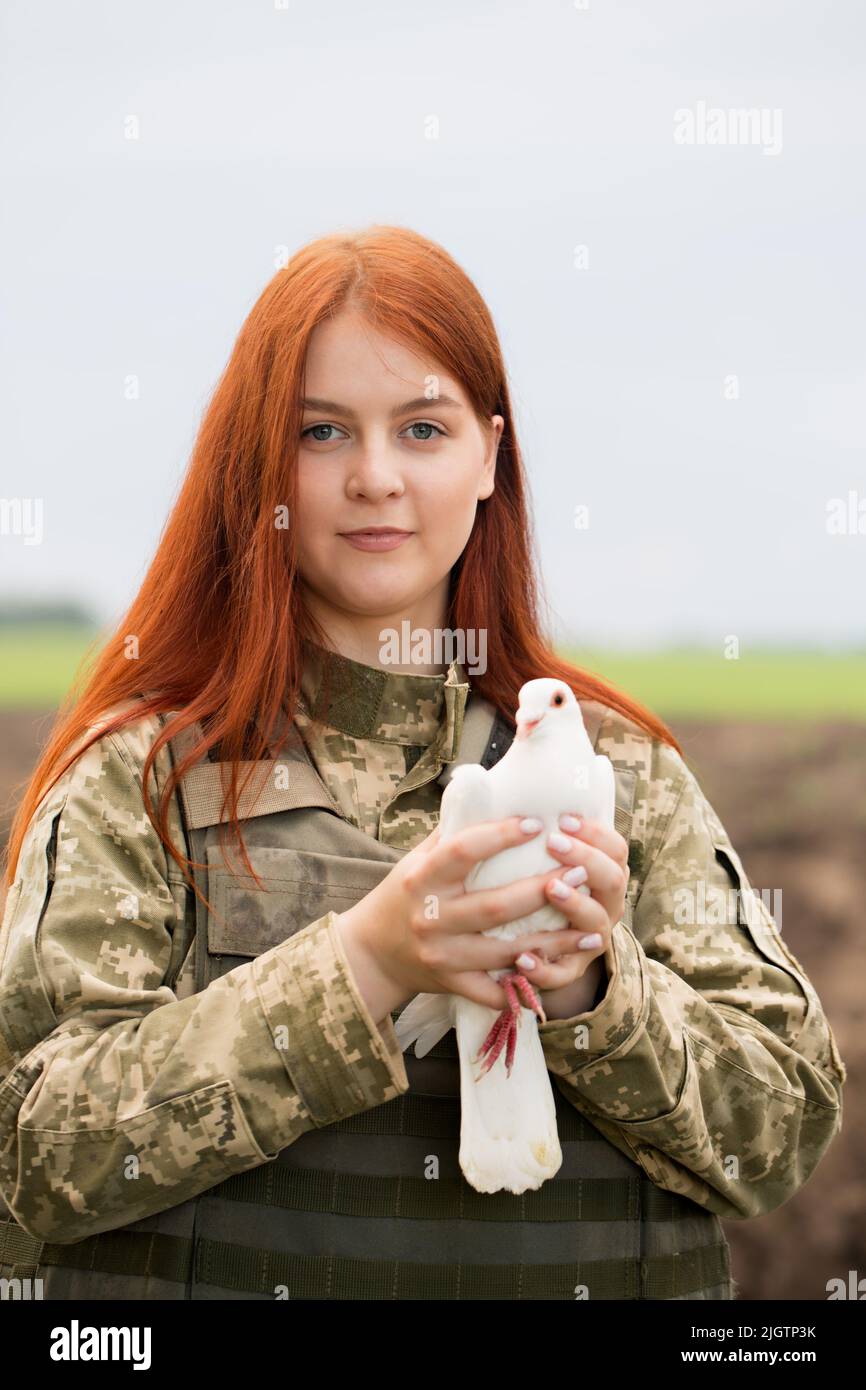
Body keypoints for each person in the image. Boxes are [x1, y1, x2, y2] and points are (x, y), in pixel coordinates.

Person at [0, 226, 846, 1301]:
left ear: (488, 456)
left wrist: (591, 987)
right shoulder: (144, 781)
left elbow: (775, 1135)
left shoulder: (615, 772)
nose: (375, 478)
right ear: (260, 461)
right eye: (320, 432)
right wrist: (365, 962)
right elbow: (29, 1153)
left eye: (421, 428)